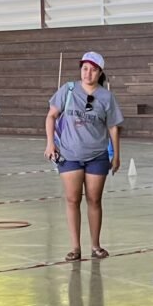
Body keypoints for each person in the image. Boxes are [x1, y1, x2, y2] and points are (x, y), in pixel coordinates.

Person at [43, 51, 123, 261]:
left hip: (97, 155)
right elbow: (51, 116)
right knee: (72, 199)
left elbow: (113, 127)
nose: (88, 73)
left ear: (100, 72)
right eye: (85, 68)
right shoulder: (68, 90)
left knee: (94, 200)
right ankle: (75, 247)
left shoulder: (106, 97)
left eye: (93, 69)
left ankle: (96, 245)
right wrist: (51, 143)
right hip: (69, 154)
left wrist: (116, 155)